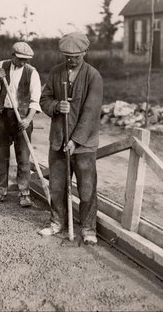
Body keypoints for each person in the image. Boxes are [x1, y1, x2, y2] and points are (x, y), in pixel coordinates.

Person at [38, 32, 103, 245]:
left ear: (85, 52)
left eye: (75, 56)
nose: (71, 59)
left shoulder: (93, 76)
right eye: (67, 55)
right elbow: (44, 99)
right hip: (58, 141)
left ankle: (88, 229)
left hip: (83, 145)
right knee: (57, 186)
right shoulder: (56, 73)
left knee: (86, 189)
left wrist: (75, 140)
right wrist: (57, 106)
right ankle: (57, 223)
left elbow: (91, 113)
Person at [0, 42, 42, 207]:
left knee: (23, 157)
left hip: (23, 118)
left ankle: (24, 193)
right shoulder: (1, 65)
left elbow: (35, 100)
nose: (23, 62)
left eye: (26, 60)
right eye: (20, 59)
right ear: (13, 55)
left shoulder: (32, 73)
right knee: (1, 156)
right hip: (3, 116)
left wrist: (28, 119)